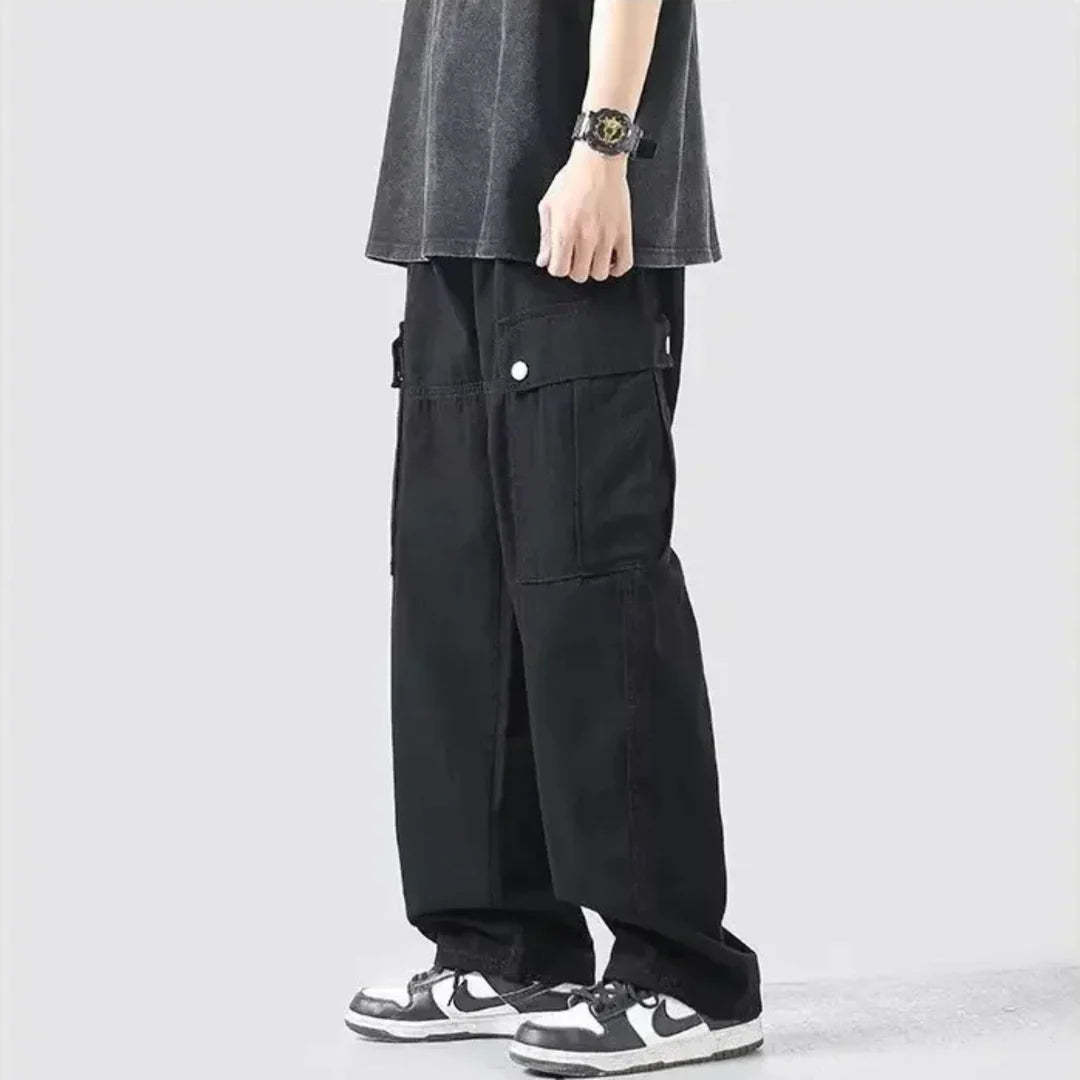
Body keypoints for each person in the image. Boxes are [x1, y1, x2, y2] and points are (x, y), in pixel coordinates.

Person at [344, 1, 763, 1073]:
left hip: (574, 205)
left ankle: (687, 973)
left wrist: (604, 144)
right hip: (450, 212)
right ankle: (504, 945)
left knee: (593, 588)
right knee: (455, 588)